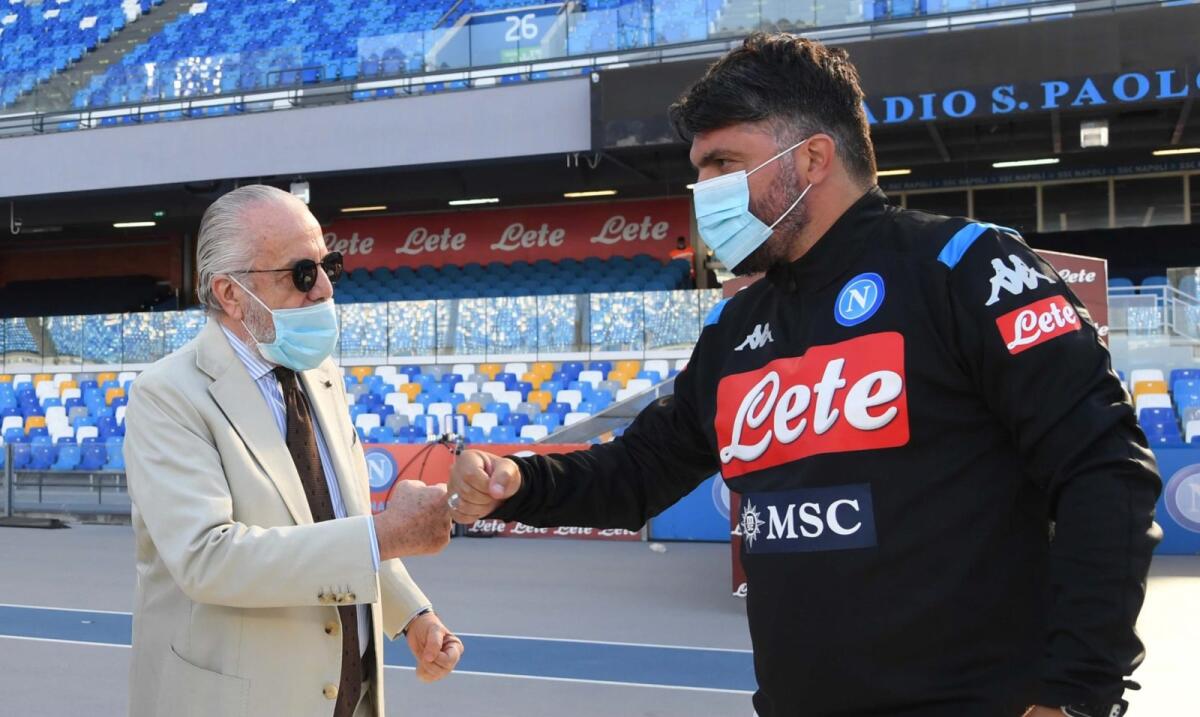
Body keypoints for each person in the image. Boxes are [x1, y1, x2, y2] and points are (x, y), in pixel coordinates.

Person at [447, 34, 1161, 717]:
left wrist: (1074, 693)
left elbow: (1107, 471)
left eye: (725, 163)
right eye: (698, 169)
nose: (704, 191)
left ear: (815, 156)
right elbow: (638, 473)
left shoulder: (965, 266)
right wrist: (517, 482)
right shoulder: (736, 329)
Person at [125, 185, 461, 717]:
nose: (325, 287)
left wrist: (412, 613)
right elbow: (207, 559)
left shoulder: (321, 377)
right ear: (231, 293)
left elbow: (340, 522)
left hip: (347, 698)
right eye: (302, 273)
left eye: (330, 265)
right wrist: (387, 533)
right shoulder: (167, 394)